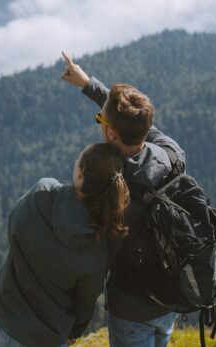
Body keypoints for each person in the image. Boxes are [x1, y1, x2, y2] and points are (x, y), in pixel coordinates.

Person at [60, 52, 187, 347]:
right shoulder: (172, 155)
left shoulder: (111, 187)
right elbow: (137, 123)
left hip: (131, 309)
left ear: (111, 133)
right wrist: (89, 84)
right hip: (169, 296)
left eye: (101, 121)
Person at [0, 143, 131, 347]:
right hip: (42, 337)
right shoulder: (96, 248)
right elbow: (86, 301)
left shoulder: (42, 192)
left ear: (80, 174)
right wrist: (75, 331)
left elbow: (13, 226)